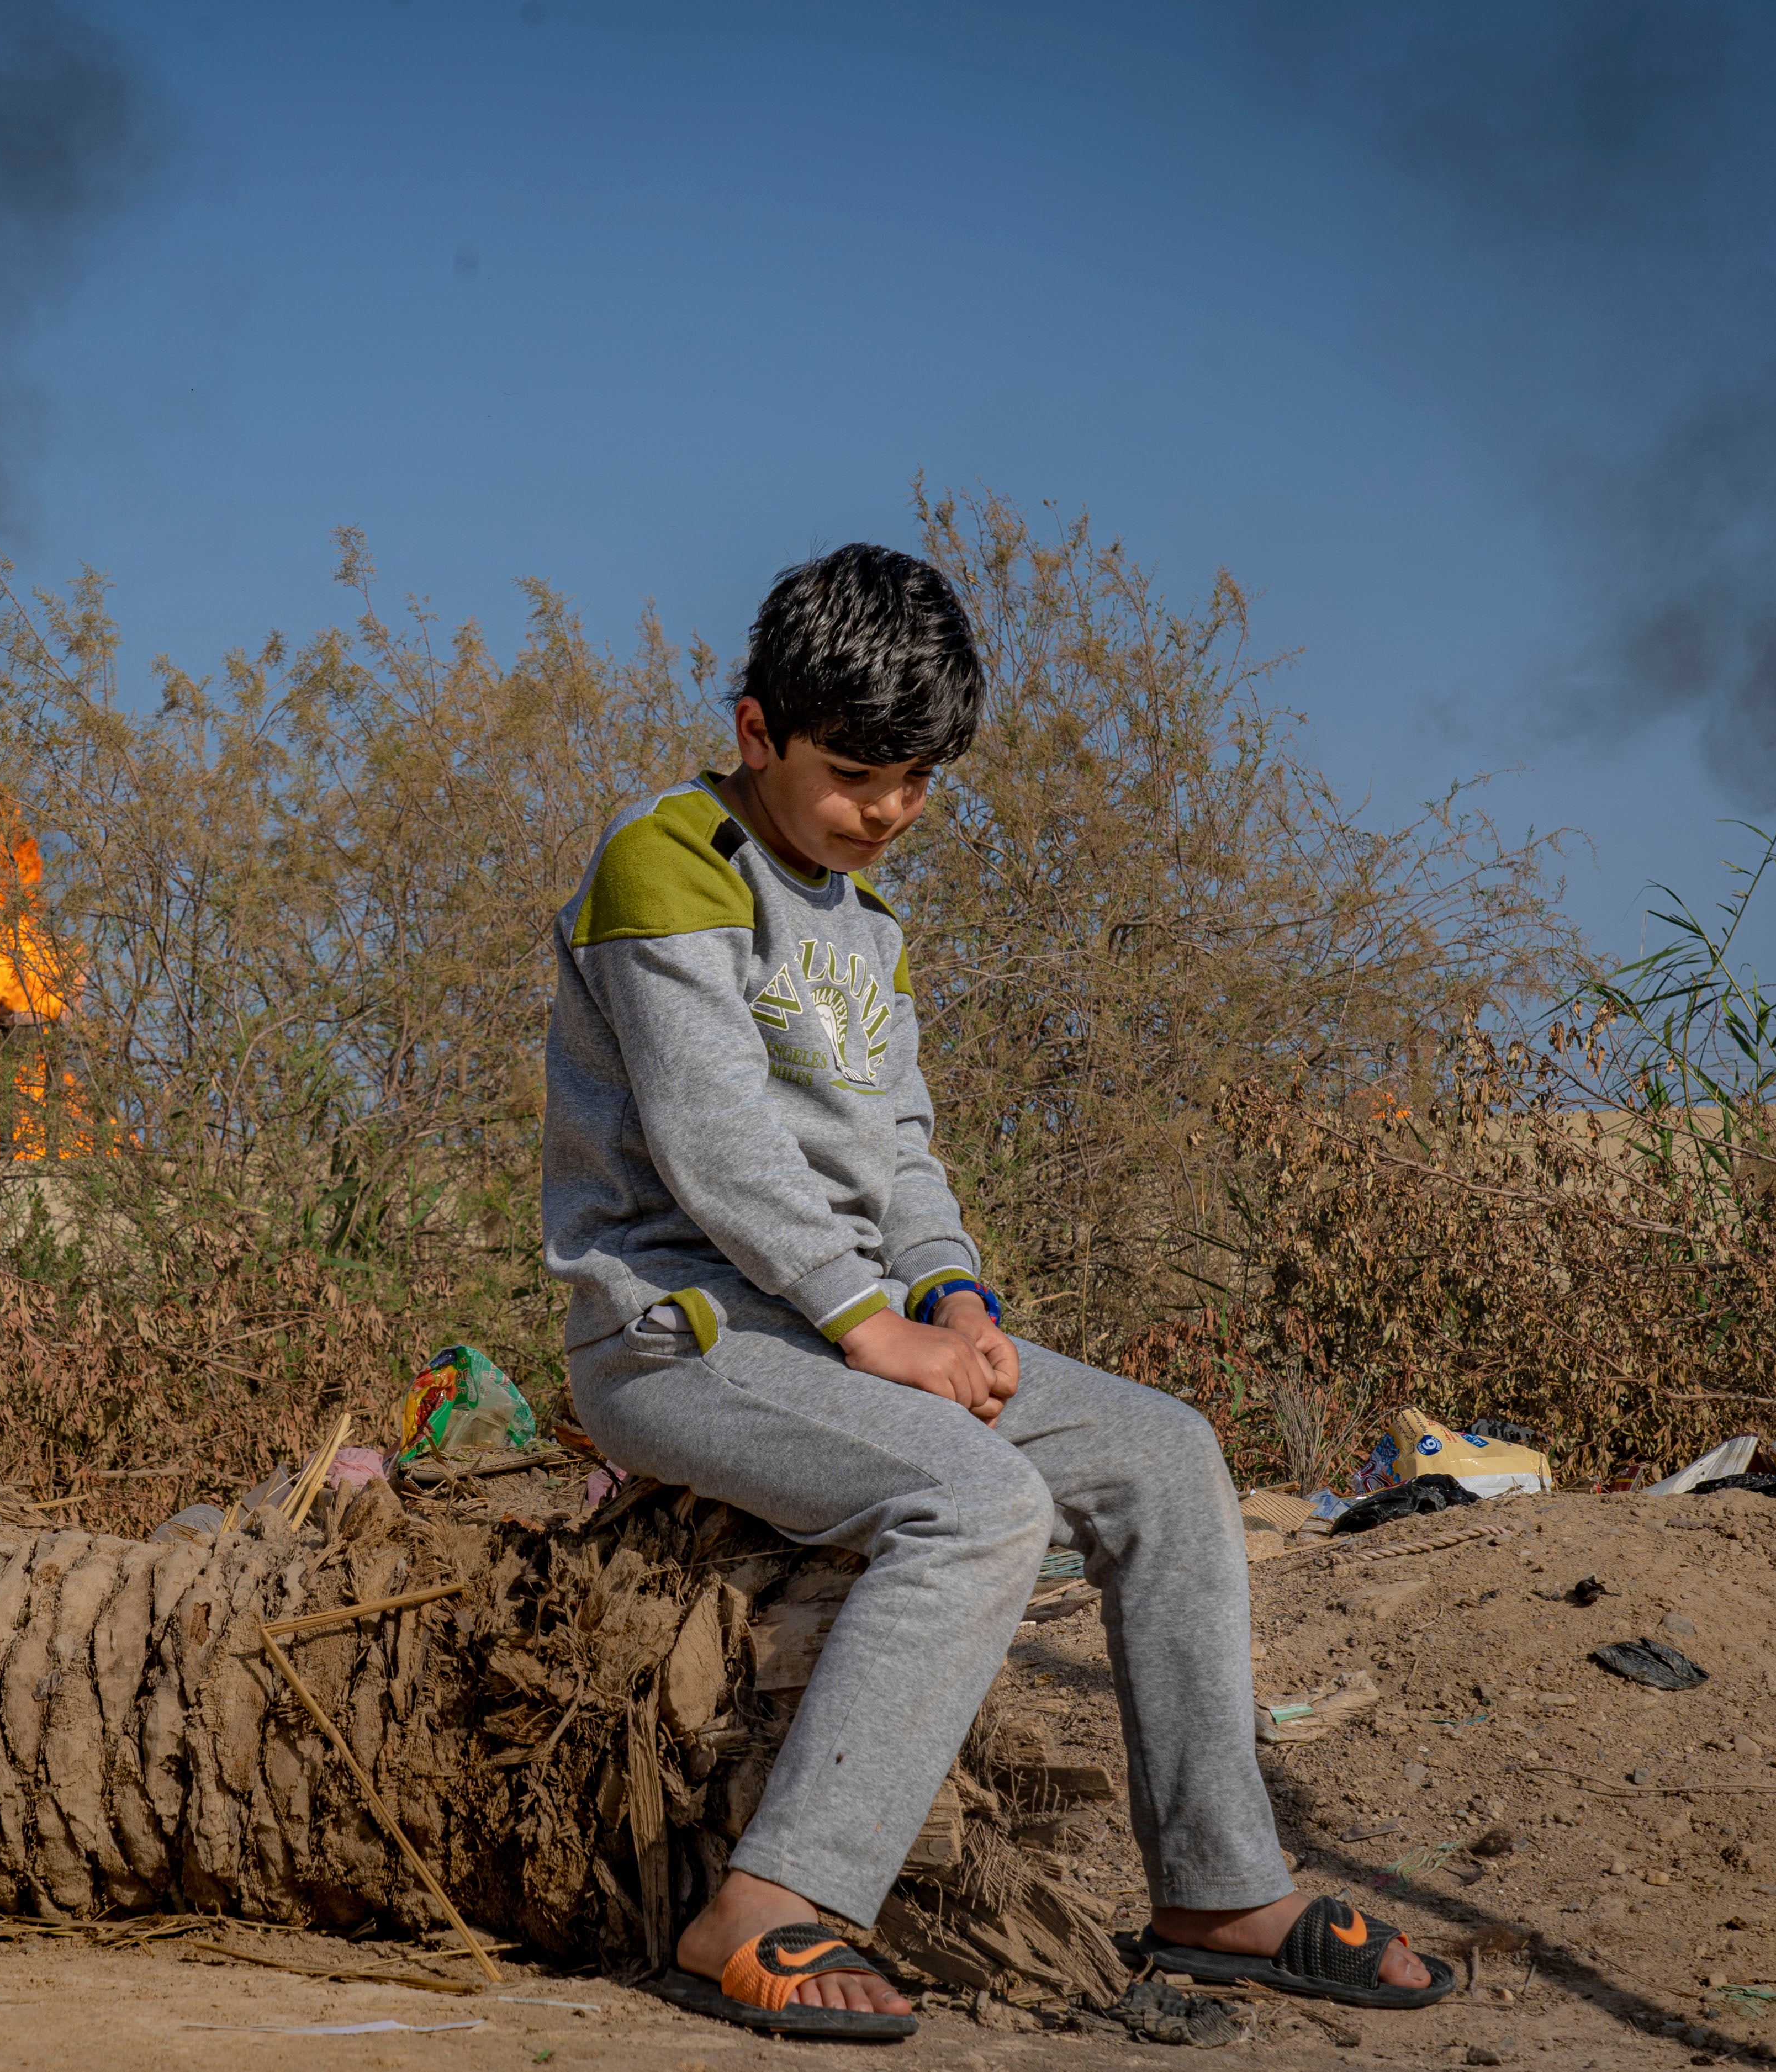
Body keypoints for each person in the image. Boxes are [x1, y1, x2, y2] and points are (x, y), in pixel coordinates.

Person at [538, 544, 1452, 2039]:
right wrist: (873, 1328)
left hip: (842, 1326)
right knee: (974, 1500)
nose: (887, 812)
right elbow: (717, 1149)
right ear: (756, 730)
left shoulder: (867, 924)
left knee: (1161, 1451)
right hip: (682, 1334)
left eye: (916, 781)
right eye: (853, 776)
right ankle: (766, 1904)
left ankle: (1217, 1894)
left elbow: (898, 1149)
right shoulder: (666, 859)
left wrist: (952, 1297)